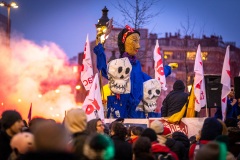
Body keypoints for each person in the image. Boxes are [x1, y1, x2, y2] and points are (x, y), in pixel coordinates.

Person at [94, 25, 172, 118]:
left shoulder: (137, 67)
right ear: (124, 42)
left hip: (137, 113)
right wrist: (100, 48)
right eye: (134, 40)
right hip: (122, 110)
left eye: (138, 41)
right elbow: (103, 69)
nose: (138, 46)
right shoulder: (118, 65)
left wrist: (167, 69)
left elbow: (152, 81)